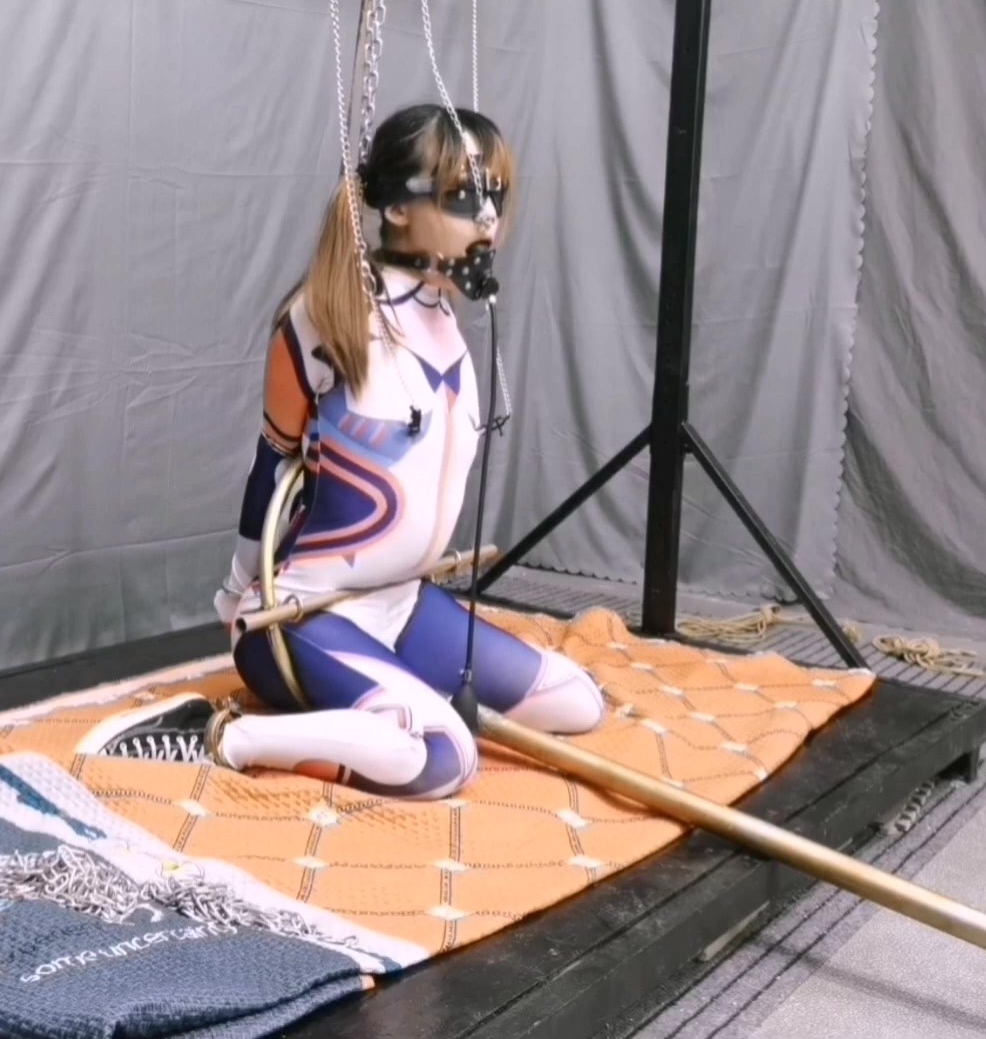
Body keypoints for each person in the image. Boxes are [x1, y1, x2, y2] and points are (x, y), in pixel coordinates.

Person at [79, 104, 604, 799]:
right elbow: (274, 458)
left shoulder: (444, 318)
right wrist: (238, 595)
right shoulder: (326, 319)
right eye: (462, 196)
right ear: (397, 208)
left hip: (404, 606)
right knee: (445, 756)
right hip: (302, 615)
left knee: (577, 703)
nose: (488, 218)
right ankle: (220, 737)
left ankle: (381, 699)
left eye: (496, 196)